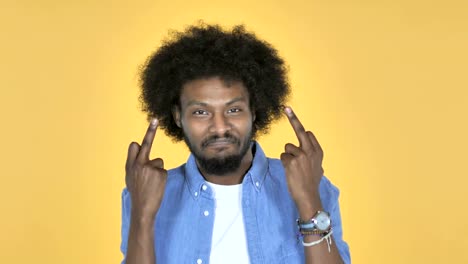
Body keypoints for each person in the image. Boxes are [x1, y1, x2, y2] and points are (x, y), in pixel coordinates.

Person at [120, 23, 350, 264]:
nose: (219, 127)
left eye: (233, 109)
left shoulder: (311, 184)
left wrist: (308, 200)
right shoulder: (143, 193)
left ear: (254, 110)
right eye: (200, 112)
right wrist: (143, 217)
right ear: (178, 116)